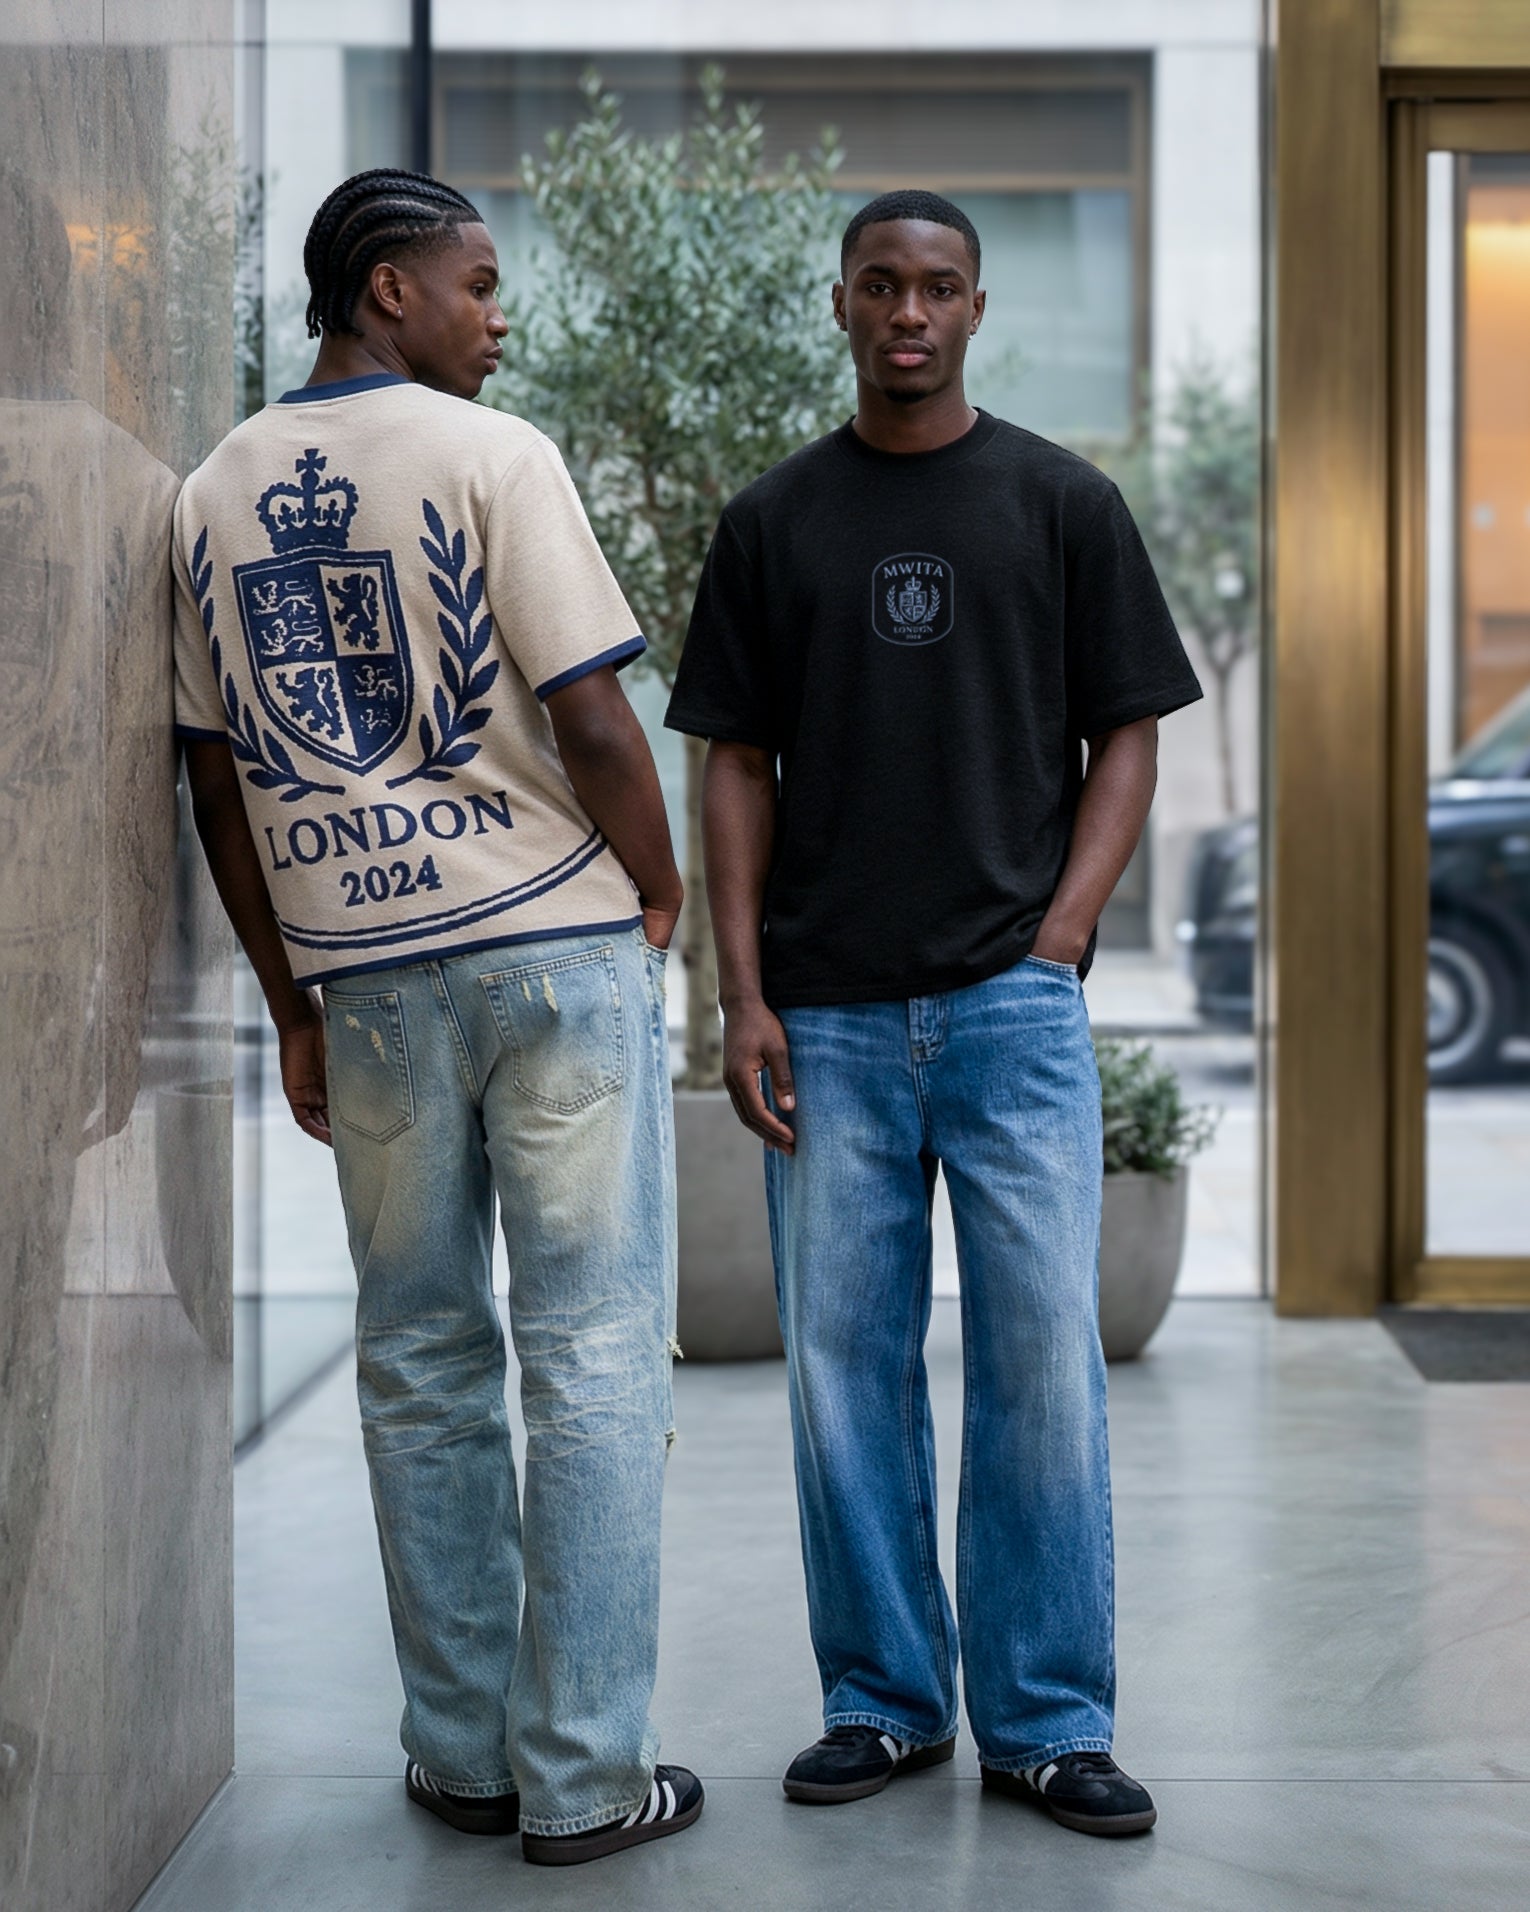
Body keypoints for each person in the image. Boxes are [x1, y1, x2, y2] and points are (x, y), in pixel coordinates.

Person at [173, 169, 701, 1867]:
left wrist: (291, 999)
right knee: (597, 1353)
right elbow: (593, 713)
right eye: (475, 283)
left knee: (417, 1363)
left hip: (371, 982)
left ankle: (462, 1760)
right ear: (385, 290)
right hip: (551, 948)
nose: (497, 314)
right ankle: (584, 1778)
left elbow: (219, 789)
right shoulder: (494, 456)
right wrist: (661, 888)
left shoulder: (208, 495)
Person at [666, 189, 1202, 1838]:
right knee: (845, 1369)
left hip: (1007, 1009)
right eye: (881, 284)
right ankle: (884, 1703)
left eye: (940, 287)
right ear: (840, 304)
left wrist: (1058, 935)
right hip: (820, 1017)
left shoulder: (1061, 503)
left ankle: (1045, 1721)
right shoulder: (772, 523)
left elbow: (1128, 734)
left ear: (976, 309)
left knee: (1041, 1363)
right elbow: (730, 766)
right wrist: (741, 995)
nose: (910, 310)